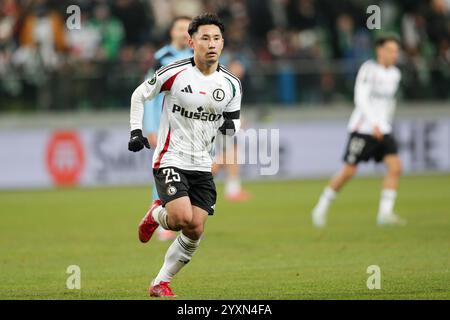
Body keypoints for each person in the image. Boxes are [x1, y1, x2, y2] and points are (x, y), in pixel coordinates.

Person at [128, 13, 242, 297]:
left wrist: (222, 151)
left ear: (223, 43)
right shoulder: (174, 71)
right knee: (179, 217)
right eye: (205, 38)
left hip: (202, 163)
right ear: (191, 42)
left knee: (195, 228)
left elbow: (233, 122)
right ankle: (156, 214)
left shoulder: (231, 83)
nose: (211, 44)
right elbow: (139, 95)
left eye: (216, 38)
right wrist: (136, 131)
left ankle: (160, 282)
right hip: (170, 157)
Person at [311, 35, 406, 228]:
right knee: (349, 171)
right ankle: (321, 206)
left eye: (396, 51)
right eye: (391, 50)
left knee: (395, 167)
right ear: (380, 51)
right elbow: (360, 99)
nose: (394, 54)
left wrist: (384, 124)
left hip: (383, 129)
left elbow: (389, 103)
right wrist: (374, 123)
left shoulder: (395, 74)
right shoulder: (369, 70)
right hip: (363, 128)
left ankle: (385, 214)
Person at [143, 16, 193, 241]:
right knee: (165, 171)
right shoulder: (161, 58)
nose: (184, 32)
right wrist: (151, 127)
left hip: (193, 127)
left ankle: (181, 219)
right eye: (180, 28)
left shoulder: (197, 57)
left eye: (188, 29)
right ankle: (162, 220)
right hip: (167, 126)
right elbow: (148, 94)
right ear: (172, 32)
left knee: (193, 172)